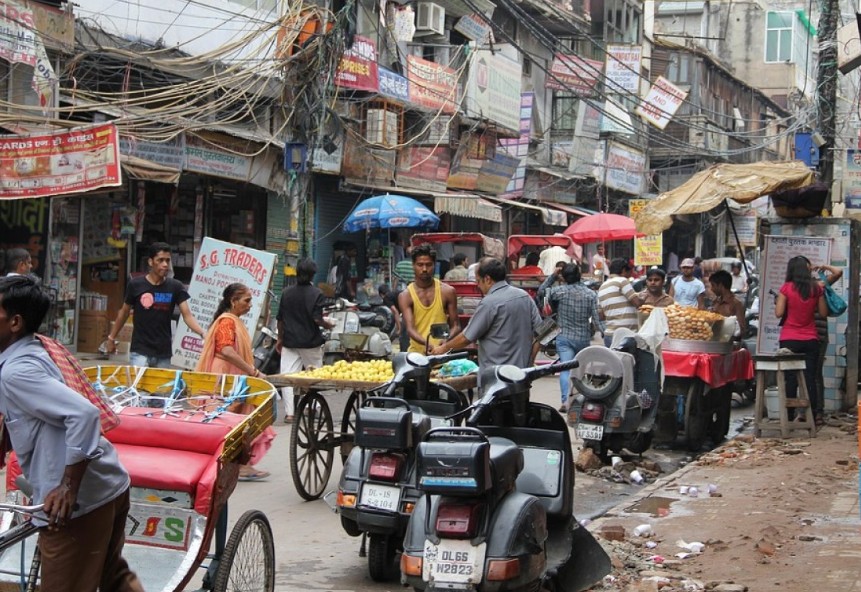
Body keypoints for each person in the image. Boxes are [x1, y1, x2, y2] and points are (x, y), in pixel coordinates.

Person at [0, 276, 143, 592]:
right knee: (115, 580)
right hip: (108, 484)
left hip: (80, 505)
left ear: (15, 322)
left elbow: (84, 414)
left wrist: (67, 486)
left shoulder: (16, 371)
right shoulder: (37, 347)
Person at [196, 283, 275, 481]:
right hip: (224, 376)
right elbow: (226, 350)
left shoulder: (233, 321)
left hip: (233, 376)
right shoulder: (227, 322)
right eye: (246, 300)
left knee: (238, 420)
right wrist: (253, 371)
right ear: (233, 301)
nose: (250, 305)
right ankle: (232, 465)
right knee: (228, 420)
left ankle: (240, 465)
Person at [430, 257, 542, 370]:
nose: (478, 286)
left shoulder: (489, 303)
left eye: (478, 281)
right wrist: (530, 361)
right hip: (522, 374)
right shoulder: (524, 296)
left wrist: (443, 348)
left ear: (487, 279)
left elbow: (466, 338)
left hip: (496, 376)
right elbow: (543, 332)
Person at [106, 242, 205, 367]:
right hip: (140, 350)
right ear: (151, 262)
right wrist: (111, 337)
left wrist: (202, 333)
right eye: (160, 260)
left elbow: (187, 316)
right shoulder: (136, 285)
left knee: (161, 387)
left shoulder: (175, 286)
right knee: (138, 386)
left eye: (167, 261)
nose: (165, 265)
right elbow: (124, 312)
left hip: (163, 352)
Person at [538, 263, 604, 412]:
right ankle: (580, 401)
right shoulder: (591, 294)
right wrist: (605, 333)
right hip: (583, 337)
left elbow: (541, 291)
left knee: (565, 369)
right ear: (579, 275)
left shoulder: (559, 291)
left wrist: (553, 276)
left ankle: (565, 401)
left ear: (564, 277)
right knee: (581, 370)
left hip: (564, 337)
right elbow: (596, 319)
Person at [277, 259, 335, 423]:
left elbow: (280, 319)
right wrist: (328, 324)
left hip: (289, 341)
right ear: (312, 275)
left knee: (288, 376)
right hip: (310, 342)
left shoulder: (286, 293)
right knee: (315, 373)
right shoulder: (316, 294)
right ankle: (313, 408)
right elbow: (317, 319)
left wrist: (280, 338)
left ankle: (289, 414)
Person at [774, 256, 827, 424]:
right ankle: (811, 415)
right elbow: (824, 313)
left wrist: (780, 302)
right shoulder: (816, 289)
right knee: (810, 378)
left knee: (790, 378)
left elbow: (779, 313)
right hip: (811, 338)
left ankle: (789, 416)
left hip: (789, 339)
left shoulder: (786, 288)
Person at [398, 244, 461, 353]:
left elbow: (456, 325)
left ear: (435, 265)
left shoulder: (447, 291)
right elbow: (410, 329)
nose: (424, 269)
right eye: (420, 265)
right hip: (416, 357)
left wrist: (446, 340)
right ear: (413, 265)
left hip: (443, 354)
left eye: (428, 265)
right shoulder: (406, 295)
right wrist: (426, 343)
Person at [813, 263, 843, 426]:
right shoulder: (811, 287)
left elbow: (838, 272)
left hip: (818, 335)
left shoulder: (819, 285)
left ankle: (817, 412)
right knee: (813, 375)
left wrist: (823, 266)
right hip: (812, 335)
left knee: (814, 374)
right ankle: (813, 412)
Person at [597, 258, 642, 347]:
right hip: (625, 335)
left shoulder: (602, 287)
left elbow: (601, 316)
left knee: (613, 361)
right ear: (623, 270)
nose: (630, 275)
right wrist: (645, 296)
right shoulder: (622, 281)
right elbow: (637, 303)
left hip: (609, 335)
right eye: (630, 272)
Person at [708, 270, 746, 337]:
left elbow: (742, 330)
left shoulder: (736, 304)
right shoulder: (716, 301)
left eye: (713, 285)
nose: (711, 289)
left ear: (720, 285)